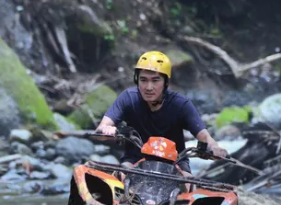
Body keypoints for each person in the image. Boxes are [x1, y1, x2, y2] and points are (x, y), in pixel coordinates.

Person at [95, 51, 228, 173]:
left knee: (188, 184)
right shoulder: (128, 98)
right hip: (134, 161)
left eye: (155, 80)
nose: (149, 87)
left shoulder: (180, 104)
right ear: (137, 80)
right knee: (122, 176)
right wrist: (107, 130)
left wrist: (214, 148)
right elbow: (101, 131)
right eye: (143, 80)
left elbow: (204, 137)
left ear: (165, 82)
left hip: (175, 163)